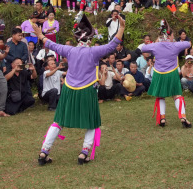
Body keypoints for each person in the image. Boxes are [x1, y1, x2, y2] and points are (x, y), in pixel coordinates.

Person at [33, 12, 125, 166]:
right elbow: (113, 44)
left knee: (58, 121)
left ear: (76, 37)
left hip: (69, 89)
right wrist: (121, 27)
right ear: (90, 38)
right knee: (92, 121)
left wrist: (39, 34)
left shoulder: (69, 50)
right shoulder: (94, 51)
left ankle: (44, 151)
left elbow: (49, 44)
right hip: (87, 90)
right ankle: (84, 153)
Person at [138, 20, 192, 127]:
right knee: (177, 95)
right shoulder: (175, 45)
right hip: (171, 73)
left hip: (158, 74)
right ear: (170, 36)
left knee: (161, 96)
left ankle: (162, 118)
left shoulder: (155, 46)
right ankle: (183, 117)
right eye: (172, 35)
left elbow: (143, 48)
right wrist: (173, 42)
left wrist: (158, 41)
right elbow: (188, 43)